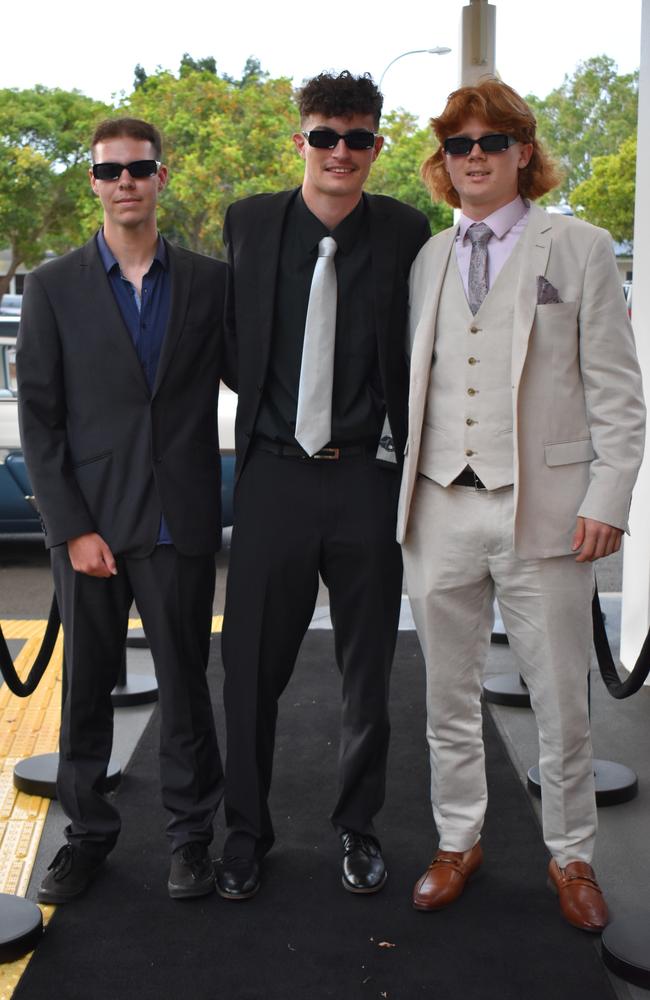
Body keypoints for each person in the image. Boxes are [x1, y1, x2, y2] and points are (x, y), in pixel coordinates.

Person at [398, 79, 645, 932]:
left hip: (543, 510)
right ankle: (456, 840)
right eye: (459, 144)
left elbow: (619, 393)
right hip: (437, 509)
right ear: (444, 159)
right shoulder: (429, 257)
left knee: (560, 701)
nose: (474, 158)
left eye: (491, 143)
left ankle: (571, 855)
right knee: (446, 697)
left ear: (522, 154)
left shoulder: (577, 246)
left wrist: (608, 496)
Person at [217, 71, 430, 900]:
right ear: (299, 140)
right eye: (325, 136)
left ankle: (358, 828)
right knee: (249, 671)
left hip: (366, 481)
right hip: (272, 472)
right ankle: (245, 833)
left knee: (367, 670)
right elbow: (232, 340)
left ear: (377, 146)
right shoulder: (250, 223)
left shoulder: (410, 232)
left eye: (359, 138)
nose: (341, 152)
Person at [17, 117, 227, 903]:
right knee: (86, 691)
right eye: (111, 172)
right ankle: (87, 838)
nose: (126, 182)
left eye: (140, 168)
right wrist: (71, 527)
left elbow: (257, 373)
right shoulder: (53, 285)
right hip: (91, 530)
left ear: (161, 177)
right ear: (95, 184)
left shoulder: (209, 282)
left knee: (185, 688)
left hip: (179, 521)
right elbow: (40, 418)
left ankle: (191, 839)